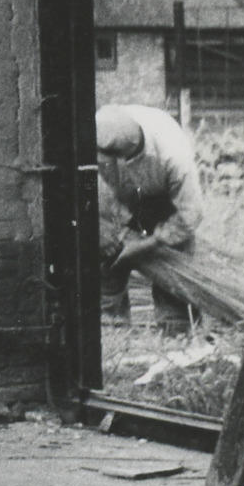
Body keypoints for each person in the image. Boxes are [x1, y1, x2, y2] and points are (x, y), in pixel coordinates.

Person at [95, 103, 204, 334]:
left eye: (115, 160)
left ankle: (177, 332)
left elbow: (191, 213)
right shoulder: (101, 129)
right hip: (120, 199)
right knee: (108, 260)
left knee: (172, 267)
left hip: (166, 202)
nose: (110, 165)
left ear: (127, 154)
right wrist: (107, 229)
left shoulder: (174, 157)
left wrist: (152, 242)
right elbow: (88, 187)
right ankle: (110, 328)